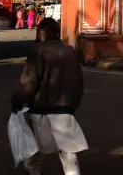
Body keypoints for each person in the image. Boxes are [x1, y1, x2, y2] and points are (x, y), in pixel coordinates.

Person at [12, 18, 87, 175]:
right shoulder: (69, 50)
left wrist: (18, 100)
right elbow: (78, 83)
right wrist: (73, 105)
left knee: (33, 147)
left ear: (44, 31)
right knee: (68, 151)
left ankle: (34, 172)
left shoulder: (37, 51)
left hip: (40, 108)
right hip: (64, 109)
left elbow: (29, 82)